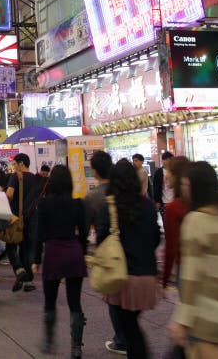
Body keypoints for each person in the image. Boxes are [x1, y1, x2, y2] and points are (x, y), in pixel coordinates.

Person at [169, 161, 218, 358]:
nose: (182, 190)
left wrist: (182, 320)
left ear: (196, 188)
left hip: (204, 311)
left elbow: (190, 276)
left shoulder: (195, 221)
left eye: (185, 186)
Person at [100, 159, 160, 359]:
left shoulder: (110, 207)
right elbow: (155, 238)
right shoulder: (148, 206)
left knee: (130, 328)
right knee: (131, 325)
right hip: (146, 275)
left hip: (122, 277)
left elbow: (102, 241)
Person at [32, 165, 88, 357]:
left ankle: (49, 340)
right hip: (73, 252)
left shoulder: (44, 204)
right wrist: (82, 252)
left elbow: (39, 234)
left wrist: (35, 259)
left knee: (50, 301)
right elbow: (84, 234)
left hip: (53, 252)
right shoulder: (78, 204)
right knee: (75, 303)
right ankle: (76, 348)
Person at [82, 150, 125, 355]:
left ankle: (122, 340)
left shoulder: (93, 196)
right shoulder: (124, 191)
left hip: (107, 251)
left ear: (95, 171)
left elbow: (83, 227)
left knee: (113, 295)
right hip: (128, 248)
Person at [6, 152, 42, 293]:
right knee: (26, 249)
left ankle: (19, 270)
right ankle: (28, 282)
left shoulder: (16, 177)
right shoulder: (35, 178)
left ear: (21, 164)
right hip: (32, 218)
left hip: (17, 219)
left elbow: (9, 194)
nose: (13, 167)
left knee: (10, 247)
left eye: (15, 164)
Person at [161, 156, 191, 293]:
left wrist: (165, 279)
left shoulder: (173, 208)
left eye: (169, 172)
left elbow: (171, 247)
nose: (166, 176)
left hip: (186, 268)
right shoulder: (201, 203)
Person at [153, 151, 174, 219]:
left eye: (171, 160)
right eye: (167, 159)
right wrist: (157, 201)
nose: (169, 161)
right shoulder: (159, 172)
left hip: (174, 200)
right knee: (165, 220)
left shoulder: (175, 170)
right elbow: (156, 187)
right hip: (163, 201)